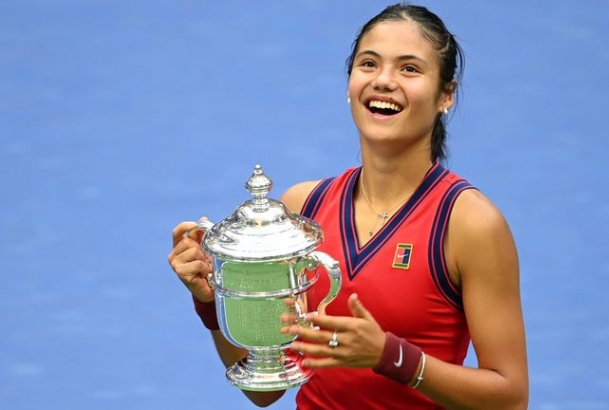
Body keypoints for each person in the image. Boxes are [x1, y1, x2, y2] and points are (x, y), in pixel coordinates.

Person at [168, 3, 528, 409]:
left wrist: (390, 357)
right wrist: (210, 301)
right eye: (369, 64)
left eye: (409, 69)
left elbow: (510, 398)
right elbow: (265, 388)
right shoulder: (301, 209)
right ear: (349, 83)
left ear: (446, 95)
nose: (384, 81)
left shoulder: (469, 224)